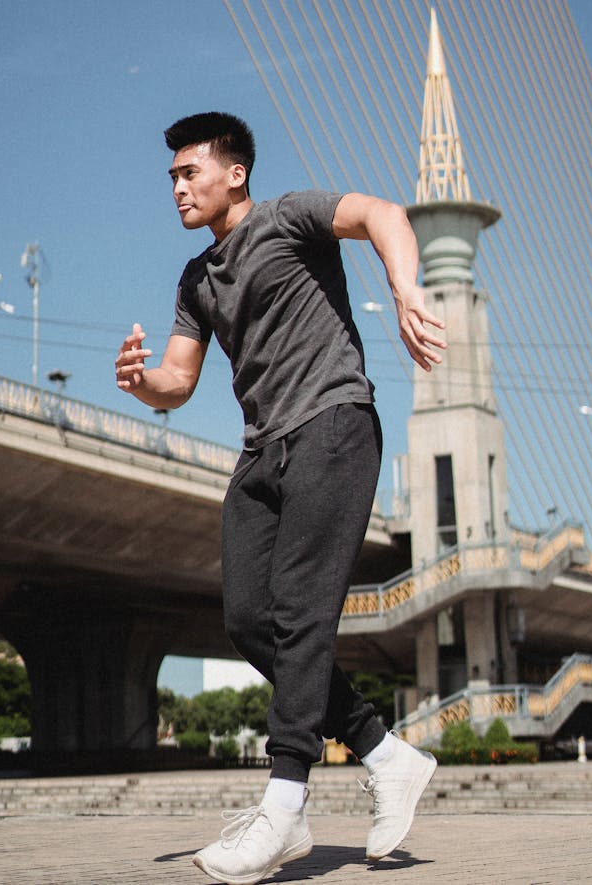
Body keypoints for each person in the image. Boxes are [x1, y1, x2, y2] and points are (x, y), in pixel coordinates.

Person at [115, 112, 447, 885]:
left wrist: (403, 288)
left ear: (234, 172)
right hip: (263, 452)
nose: (176, 187)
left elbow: (382, 213)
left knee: (301, 611)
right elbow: (179, 379)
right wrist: (141, 384)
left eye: (188, 171)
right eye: (170, 176)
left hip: (333, 425)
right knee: (248, 620)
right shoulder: (197, 281)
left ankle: (286, 803)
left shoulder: (291, 216)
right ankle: (387, 754)